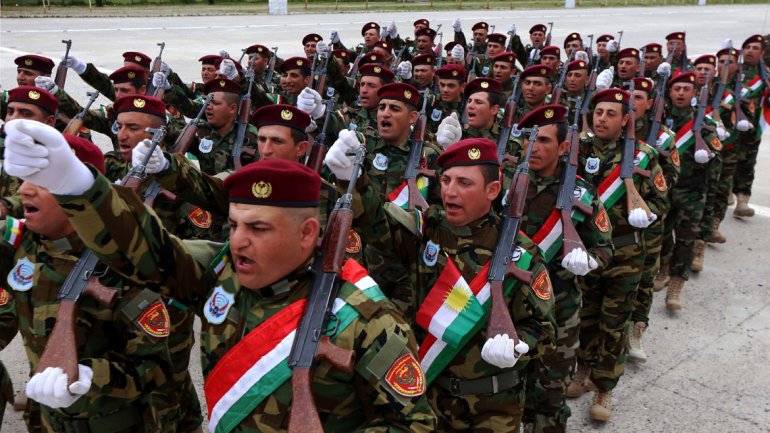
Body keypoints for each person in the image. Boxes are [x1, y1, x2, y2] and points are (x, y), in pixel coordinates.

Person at [3, 119, 438, 432]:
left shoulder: (364, 318)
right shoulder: (220, 275)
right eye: (233, 225)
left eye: (259, 229)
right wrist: (77, 185)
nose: (239, 241)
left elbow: (412, 423)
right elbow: (146, 250)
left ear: (308, 233)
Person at [326, 135, 556, 431]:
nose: (450, 191)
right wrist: (354, 179)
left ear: (492, 190)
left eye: (464, 183)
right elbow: (378, 222)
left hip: (493, 407)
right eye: (446, 180)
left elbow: (545, 331)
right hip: (428, 395)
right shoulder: (427, 229)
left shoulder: (521, 254)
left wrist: (516, 349)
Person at [1, 132, 182, 432]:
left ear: (78, 196)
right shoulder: (22, 243)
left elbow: (157, 368)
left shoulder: (126, 263)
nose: (24, 191)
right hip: (46, 419)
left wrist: (89, 378)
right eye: (25, 179)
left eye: (42, 182)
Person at [568, 88, 667, 421]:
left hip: (625, 252)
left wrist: (646, 213)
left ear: (626, 120)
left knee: (614, 323)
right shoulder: (578, 149)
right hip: (588, 251)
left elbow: (660, 201)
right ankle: (583, 369)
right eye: (598, 112)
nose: (602, 119)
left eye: (611, 114)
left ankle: (604, 386)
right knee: (585, 316)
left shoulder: (642, 156)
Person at [515, 105, 613, 433]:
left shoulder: (581, 192)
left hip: (559, 310)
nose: (533, 147)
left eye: (543, 140)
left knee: (550, 400)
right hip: (512, 306)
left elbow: (604, 248)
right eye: (529, 139)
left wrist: (588, 260)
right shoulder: (506, 183)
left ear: (563, 147)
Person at [658, 72, 721, 310]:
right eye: (677, 89)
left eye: (686, 89)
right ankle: (664, 268)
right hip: (665, 189)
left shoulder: (703, 123)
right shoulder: (660, 119)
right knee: (662, 234)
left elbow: (716, 160)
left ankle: (676, 284)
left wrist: (708, 153)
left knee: (686, 239)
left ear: (694, 93)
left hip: (692, 191)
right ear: (670, 92)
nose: (681, 93)